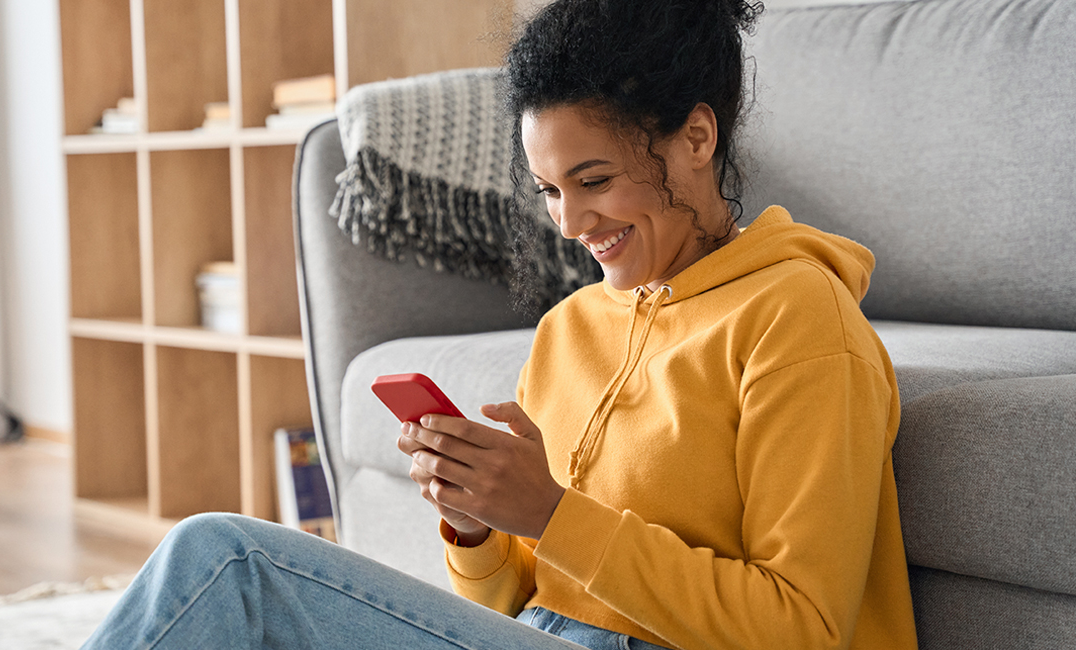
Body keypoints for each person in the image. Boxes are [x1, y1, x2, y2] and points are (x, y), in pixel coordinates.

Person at [82, 0, 918, 648]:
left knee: (228, 565)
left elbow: (802, 626)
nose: (568, 222)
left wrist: (555, 514)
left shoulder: (796, 320)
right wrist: (478, 523)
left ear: (695, 136)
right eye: (550, 190)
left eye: (592, 180)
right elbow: (510, 603)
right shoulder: (571, 331)